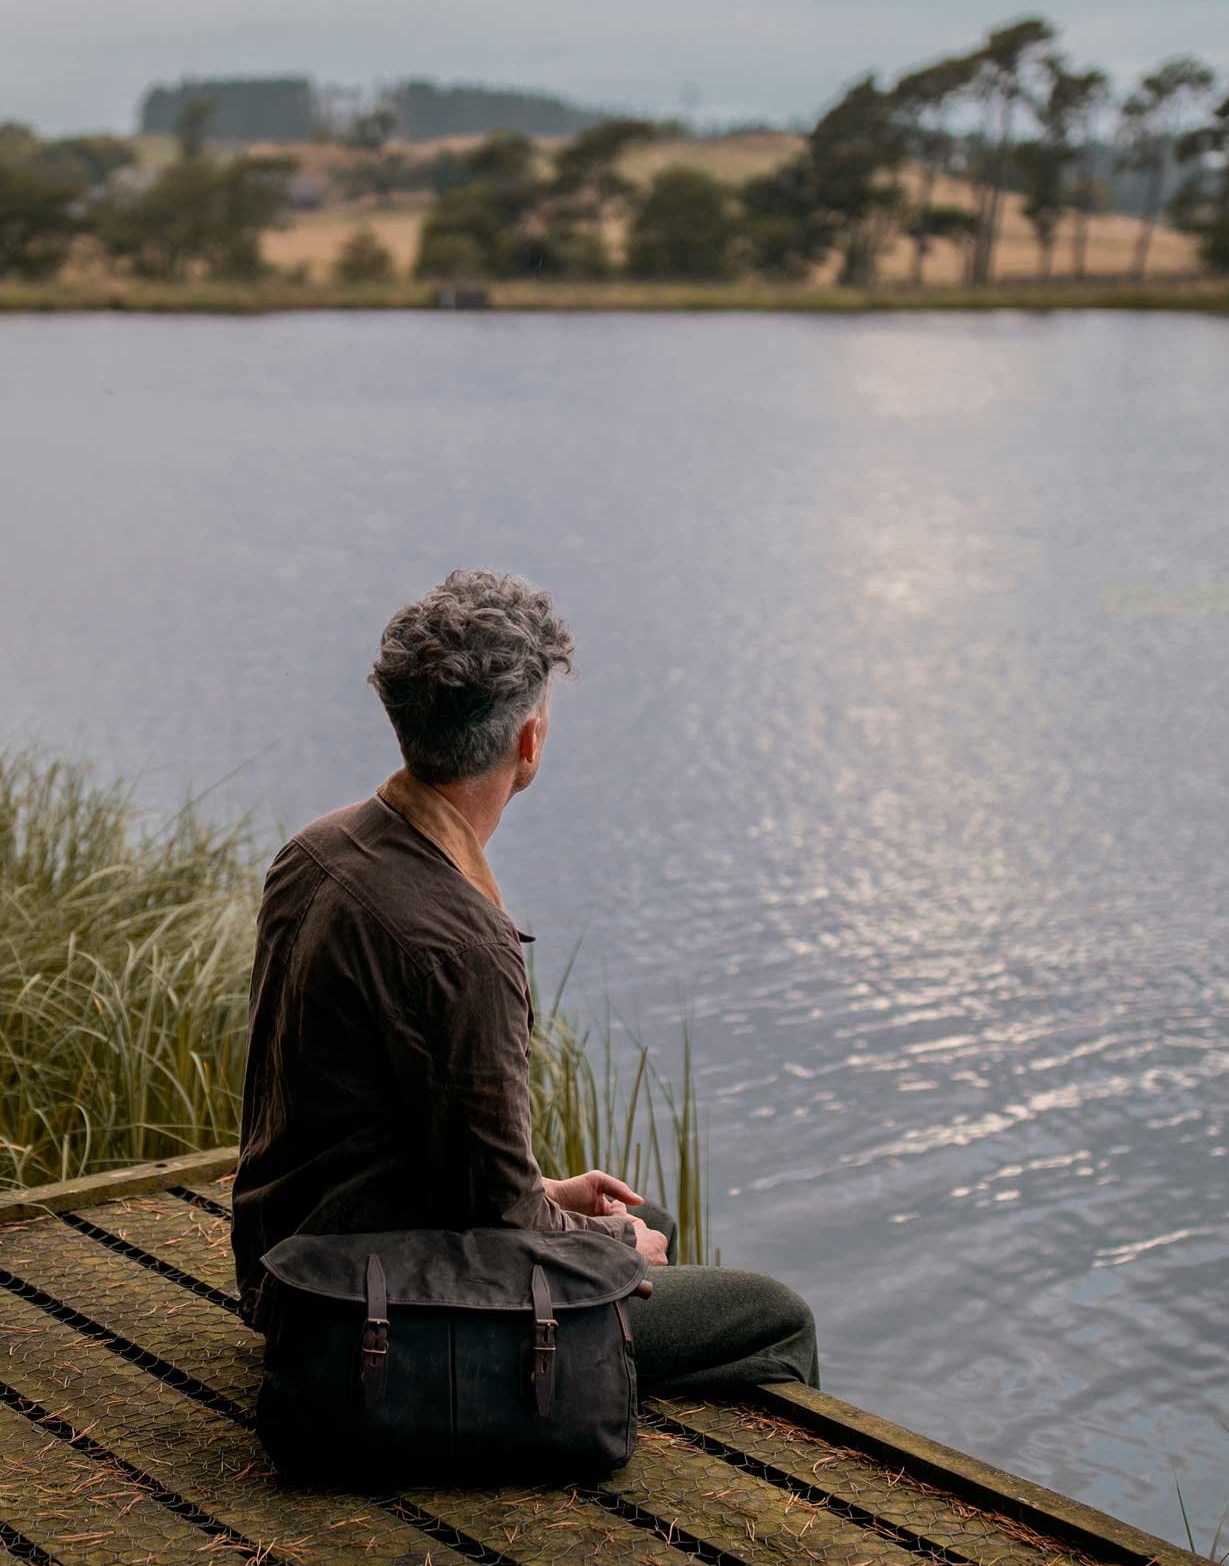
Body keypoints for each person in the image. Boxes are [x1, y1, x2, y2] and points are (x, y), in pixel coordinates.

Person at [232, 568, 818, 1396]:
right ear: (529, 743)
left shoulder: (314, 852)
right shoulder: (464, 945)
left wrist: (558, 1198)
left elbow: (392, 1144)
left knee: (653, 1222)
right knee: (772, 1314)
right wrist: (607, 1252)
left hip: (291, 1260)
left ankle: (574, 1387)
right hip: (362, 1307)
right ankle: (561, 1417)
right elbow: (506, 1223)